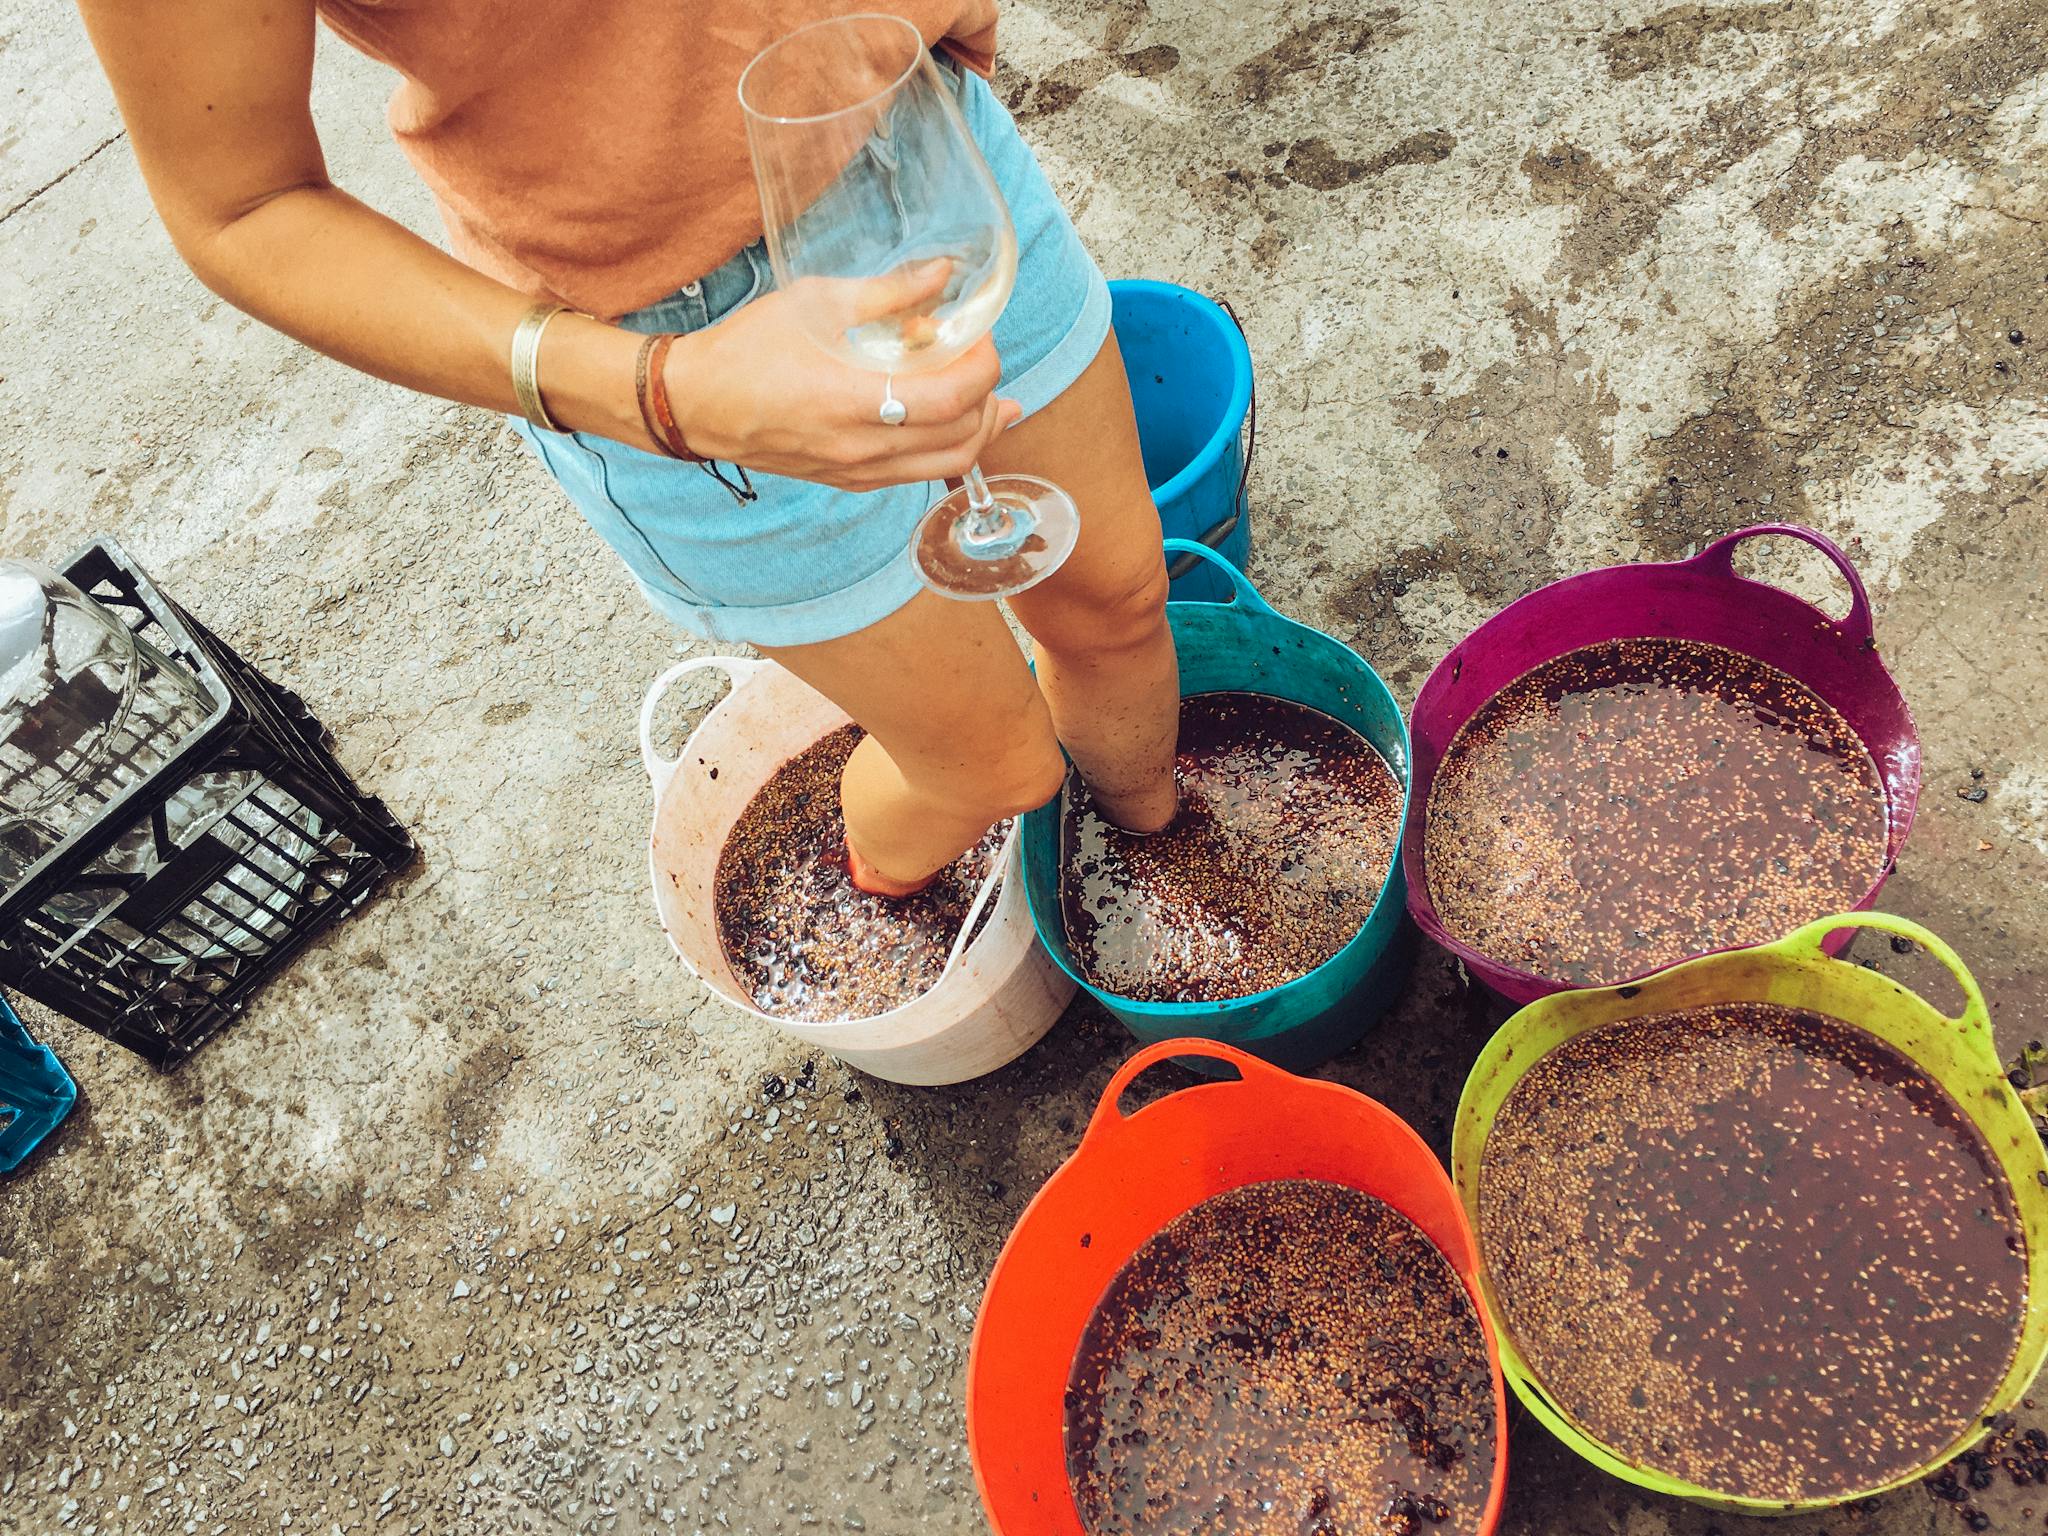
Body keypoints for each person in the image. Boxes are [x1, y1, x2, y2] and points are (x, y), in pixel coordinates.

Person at [76, 0, 1179, 896]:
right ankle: (874, 902)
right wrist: (667, 394)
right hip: (663, 324)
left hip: (922, 146)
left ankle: (1160, 856)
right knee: (989, 772)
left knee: (1118, 602)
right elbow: (240, 203)